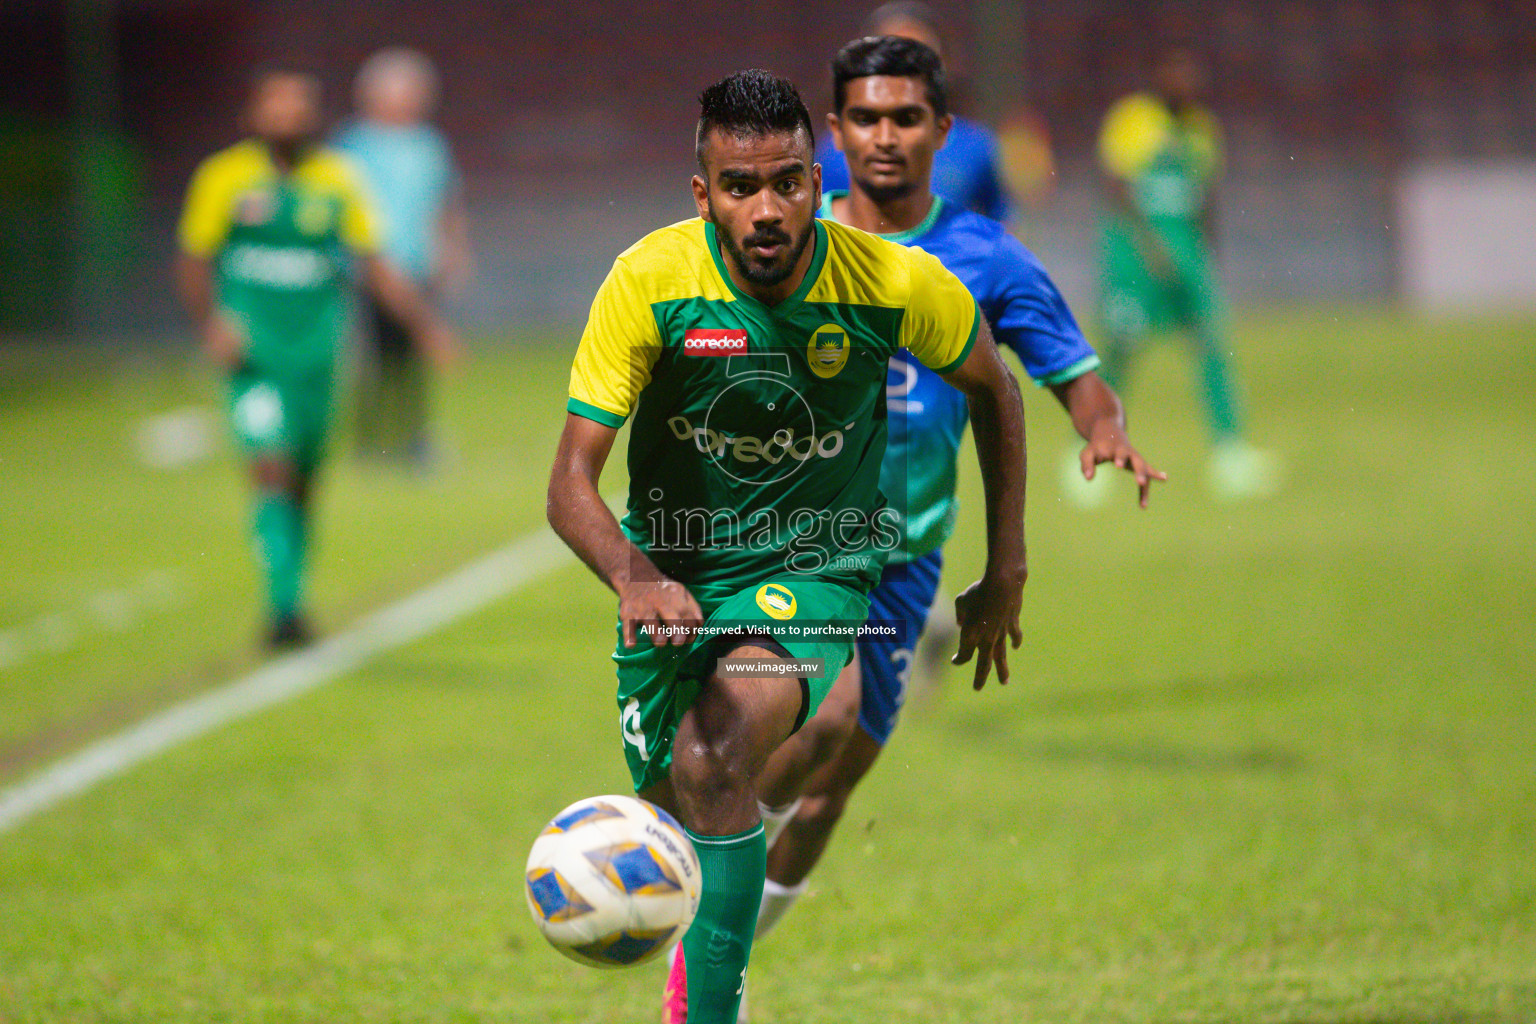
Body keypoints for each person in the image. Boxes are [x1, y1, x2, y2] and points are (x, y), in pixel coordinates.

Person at [545, 70, 1027, 1024]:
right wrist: (636, 578)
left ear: (820, 177)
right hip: (675, 575)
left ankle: (708, 1013)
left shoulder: (890, 281)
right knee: (681, 789)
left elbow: (995, 387)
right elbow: (570, 483)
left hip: (817, 572)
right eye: (738, 187)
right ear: (703, 194)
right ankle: (723, 882)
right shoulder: (651, 281)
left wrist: (1004, 564)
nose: (766, 209)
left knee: (719, 750)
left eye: (788, 183)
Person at [703, 37, 1163, 1021]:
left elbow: (1070, 377)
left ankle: (703, 921)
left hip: (904, 559)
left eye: (905, 118)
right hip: (786, 544)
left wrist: (1104, 430)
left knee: (828, 788)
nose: (884, 136)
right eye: (865, 118)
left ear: (942, 132)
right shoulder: (784, 234)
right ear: (833, 134)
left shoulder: (984, 258)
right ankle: (696, 952)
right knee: (819, 718)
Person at [175, 66, 457, 648]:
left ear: (314, 116)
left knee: (302, 478)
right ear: (252, 115)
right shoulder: (224, 178)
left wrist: (426, 327)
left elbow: (373, 262)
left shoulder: (337, 180)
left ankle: (292, 591)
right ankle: (284, 608)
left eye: (298, 106)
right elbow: (193, 258)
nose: (287, 116)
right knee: (270, 468)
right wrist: (211, 325)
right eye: (274, 105)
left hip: (317, 361)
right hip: (254, 360)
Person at [1094, 45, 1280, 502]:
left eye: (1191, 74)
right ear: (1159, 77)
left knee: (1214, 349)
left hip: (1188, 264)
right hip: (1139, 264)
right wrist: (1150, 249)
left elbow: (1206, 200)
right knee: (1121, 354)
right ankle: (1092, 450)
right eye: (1176, 73)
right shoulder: (1133, 119)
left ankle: (1229, 454)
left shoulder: (1202, 131)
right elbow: (1117, 190)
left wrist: (1208, 260)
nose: (1185, 83)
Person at [334, 47, 471, 468]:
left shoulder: (429, 145)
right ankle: (371, 443)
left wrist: (453, 249)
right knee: (372, 360)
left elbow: (446, 202)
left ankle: (413, 437)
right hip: (367, 269)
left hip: (417, 268)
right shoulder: (352, 147)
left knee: (409, 363)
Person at [815, 1, 1011, 222]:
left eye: (919, 60)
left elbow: (1002, 223)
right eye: (889, 60)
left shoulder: (975, 146)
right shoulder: (835, 152)